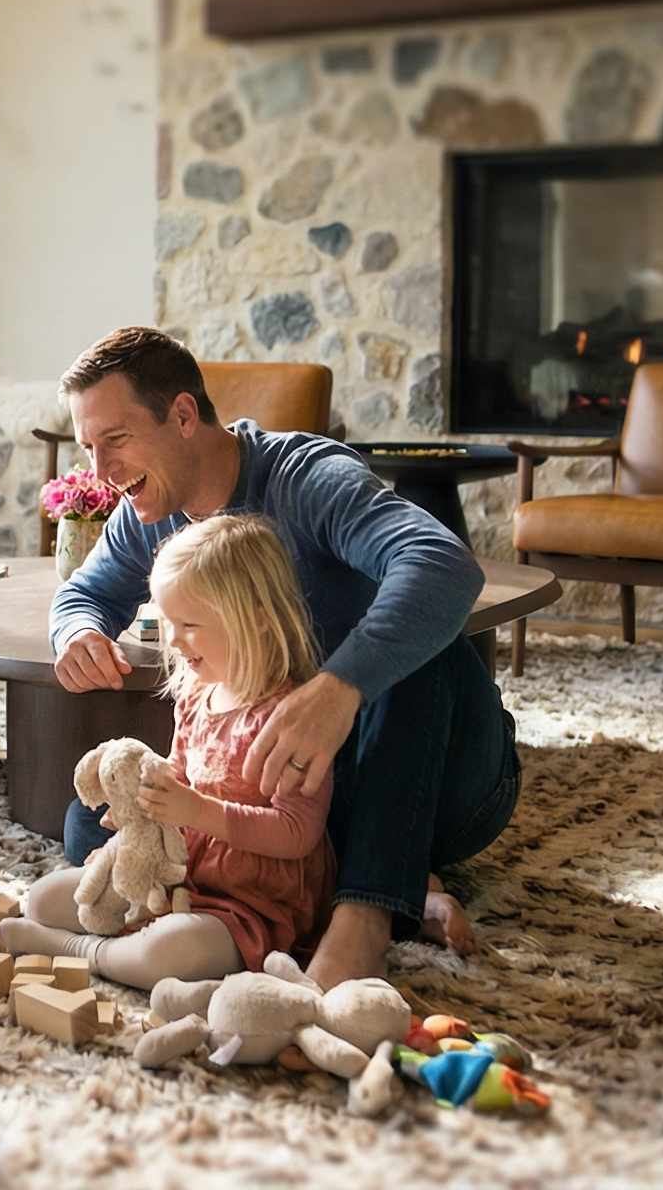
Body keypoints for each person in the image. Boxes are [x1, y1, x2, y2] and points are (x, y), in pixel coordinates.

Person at [49, 327, 517, 985]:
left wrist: (339, 687)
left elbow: (445, 565)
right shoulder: (146, 509)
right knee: (96, 823)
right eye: (88, 448)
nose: (99, 472)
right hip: (308, 802)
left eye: (115, 441)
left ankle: (367, 914)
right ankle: (398, 879)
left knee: (415, 649)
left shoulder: (308, 478)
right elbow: (83, 595)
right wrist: (77, 633)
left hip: (444, 776)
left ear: (183, 415)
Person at [0, 514, 336, 988]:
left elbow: (298, 832)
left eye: (189, 624)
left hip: (249, 903)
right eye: (167, 621)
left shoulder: (293, 717)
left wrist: (198, 811)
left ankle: (82, 951)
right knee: (45, 899)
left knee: (168, 953)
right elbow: (176, 771)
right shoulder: (199, 692)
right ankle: (111, 939)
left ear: (257, 616)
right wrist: (139, 818)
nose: (173, 640)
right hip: (178, 872)